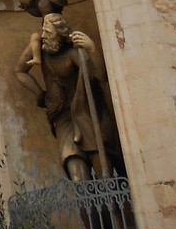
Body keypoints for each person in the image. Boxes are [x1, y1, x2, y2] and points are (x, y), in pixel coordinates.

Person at [15, 13, 121, 181]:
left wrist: (91, 49)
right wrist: (39, 93)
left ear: (60, 33)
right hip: (62, 116)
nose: (43, 36)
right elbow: (20, 71)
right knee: (74, 167)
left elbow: (99, 76)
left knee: (102, 166)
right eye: (43, 31)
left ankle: (115, 205)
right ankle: (88, 205)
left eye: (48, 32)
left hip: (85, 112)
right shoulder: (40, 50)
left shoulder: (73, 53)